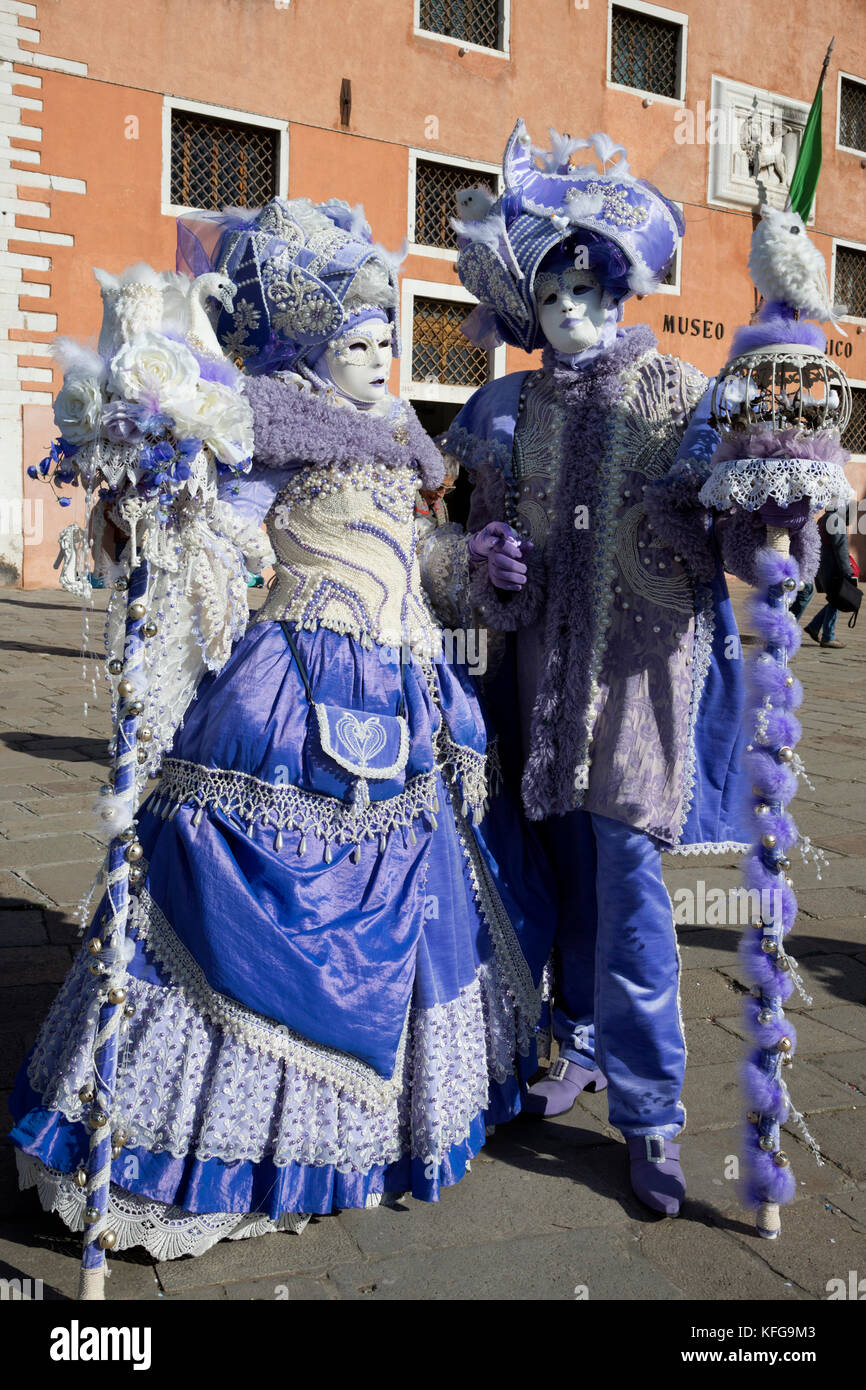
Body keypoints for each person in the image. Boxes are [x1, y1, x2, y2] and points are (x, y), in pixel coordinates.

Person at [8, 196, 553, 1261]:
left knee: (430, 896)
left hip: (406, 696)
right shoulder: (267, 423)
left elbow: (419, 570)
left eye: (386, 336)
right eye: (357, 339)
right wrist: (159, 496)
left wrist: (467, 569)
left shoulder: (405, 441)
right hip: (294, 696)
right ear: (308, 344)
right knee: (235, 893)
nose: (379, 353)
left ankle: (366, 1133)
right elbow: (217, 530)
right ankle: (210, 1147)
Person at [421, 122, 818, 1216]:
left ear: (627, 289)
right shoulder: (502, 414)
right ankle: (569, 1040)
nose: (576, 316)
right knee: (539, 876)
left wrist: (776, 499)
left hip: (642, 687)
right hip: (530, 687)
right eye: (553, 300)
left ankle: (647, 1114)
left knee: (633, 900)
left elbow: (742, 546)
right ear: (525, 311)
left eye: (595, 293)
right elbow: (462, 560)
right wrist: (478, 564)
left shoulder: (684, 398)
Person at [803, 505, 855, 649]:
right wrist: (847, 572)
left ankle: (814, 626)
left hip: (824, 569)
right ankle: (828, 637)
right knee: (836, 600)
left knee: (834, 600)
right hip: (834, 571)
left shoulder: (824, 518)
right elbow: (842, 550)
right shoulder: (836, 521)